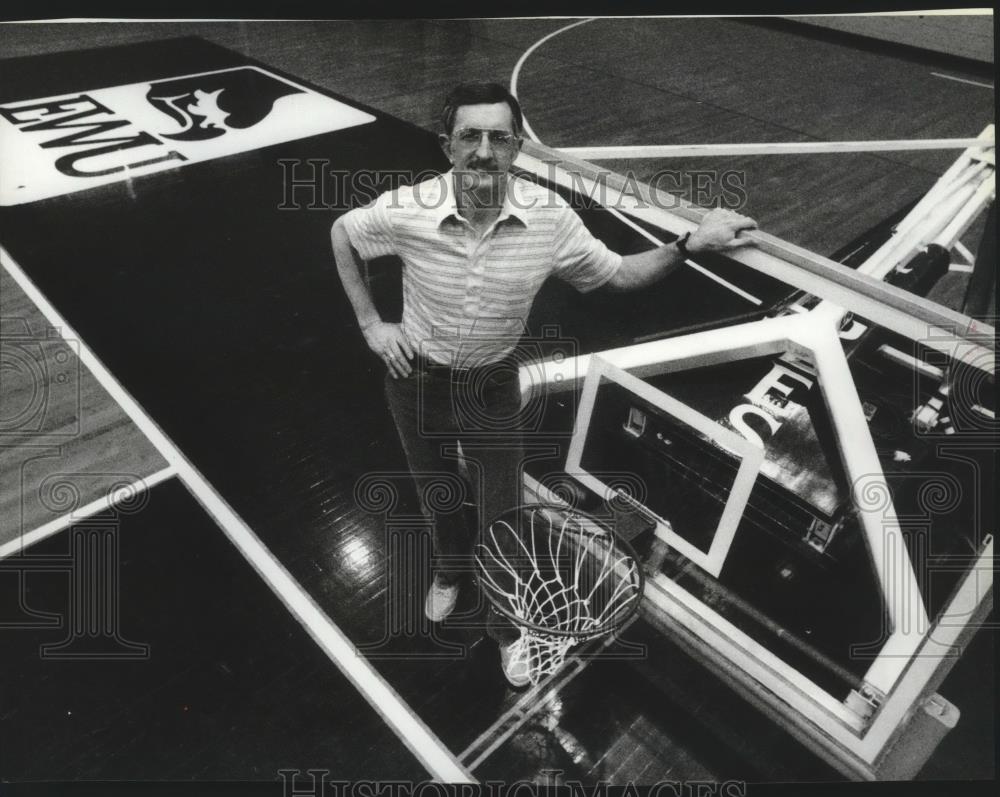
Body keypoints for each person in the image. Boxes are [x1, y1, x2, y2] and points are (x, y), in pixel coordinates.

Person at [331, 82, 756, 686]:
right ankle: (450, 571)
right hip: (415, 381)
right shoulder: (406, 209)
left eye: (498, 138)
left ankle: (506, 629)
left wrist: (691, 244)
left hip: (491, 388)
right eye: (469, 137)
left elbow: (619, 275)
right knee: (437, 495)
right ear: (446, 146)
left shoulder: (551, 220)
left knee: (502, 516)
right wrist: (373, 324)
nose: (484, 151)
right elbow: (343, 235)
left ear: (517, 148)